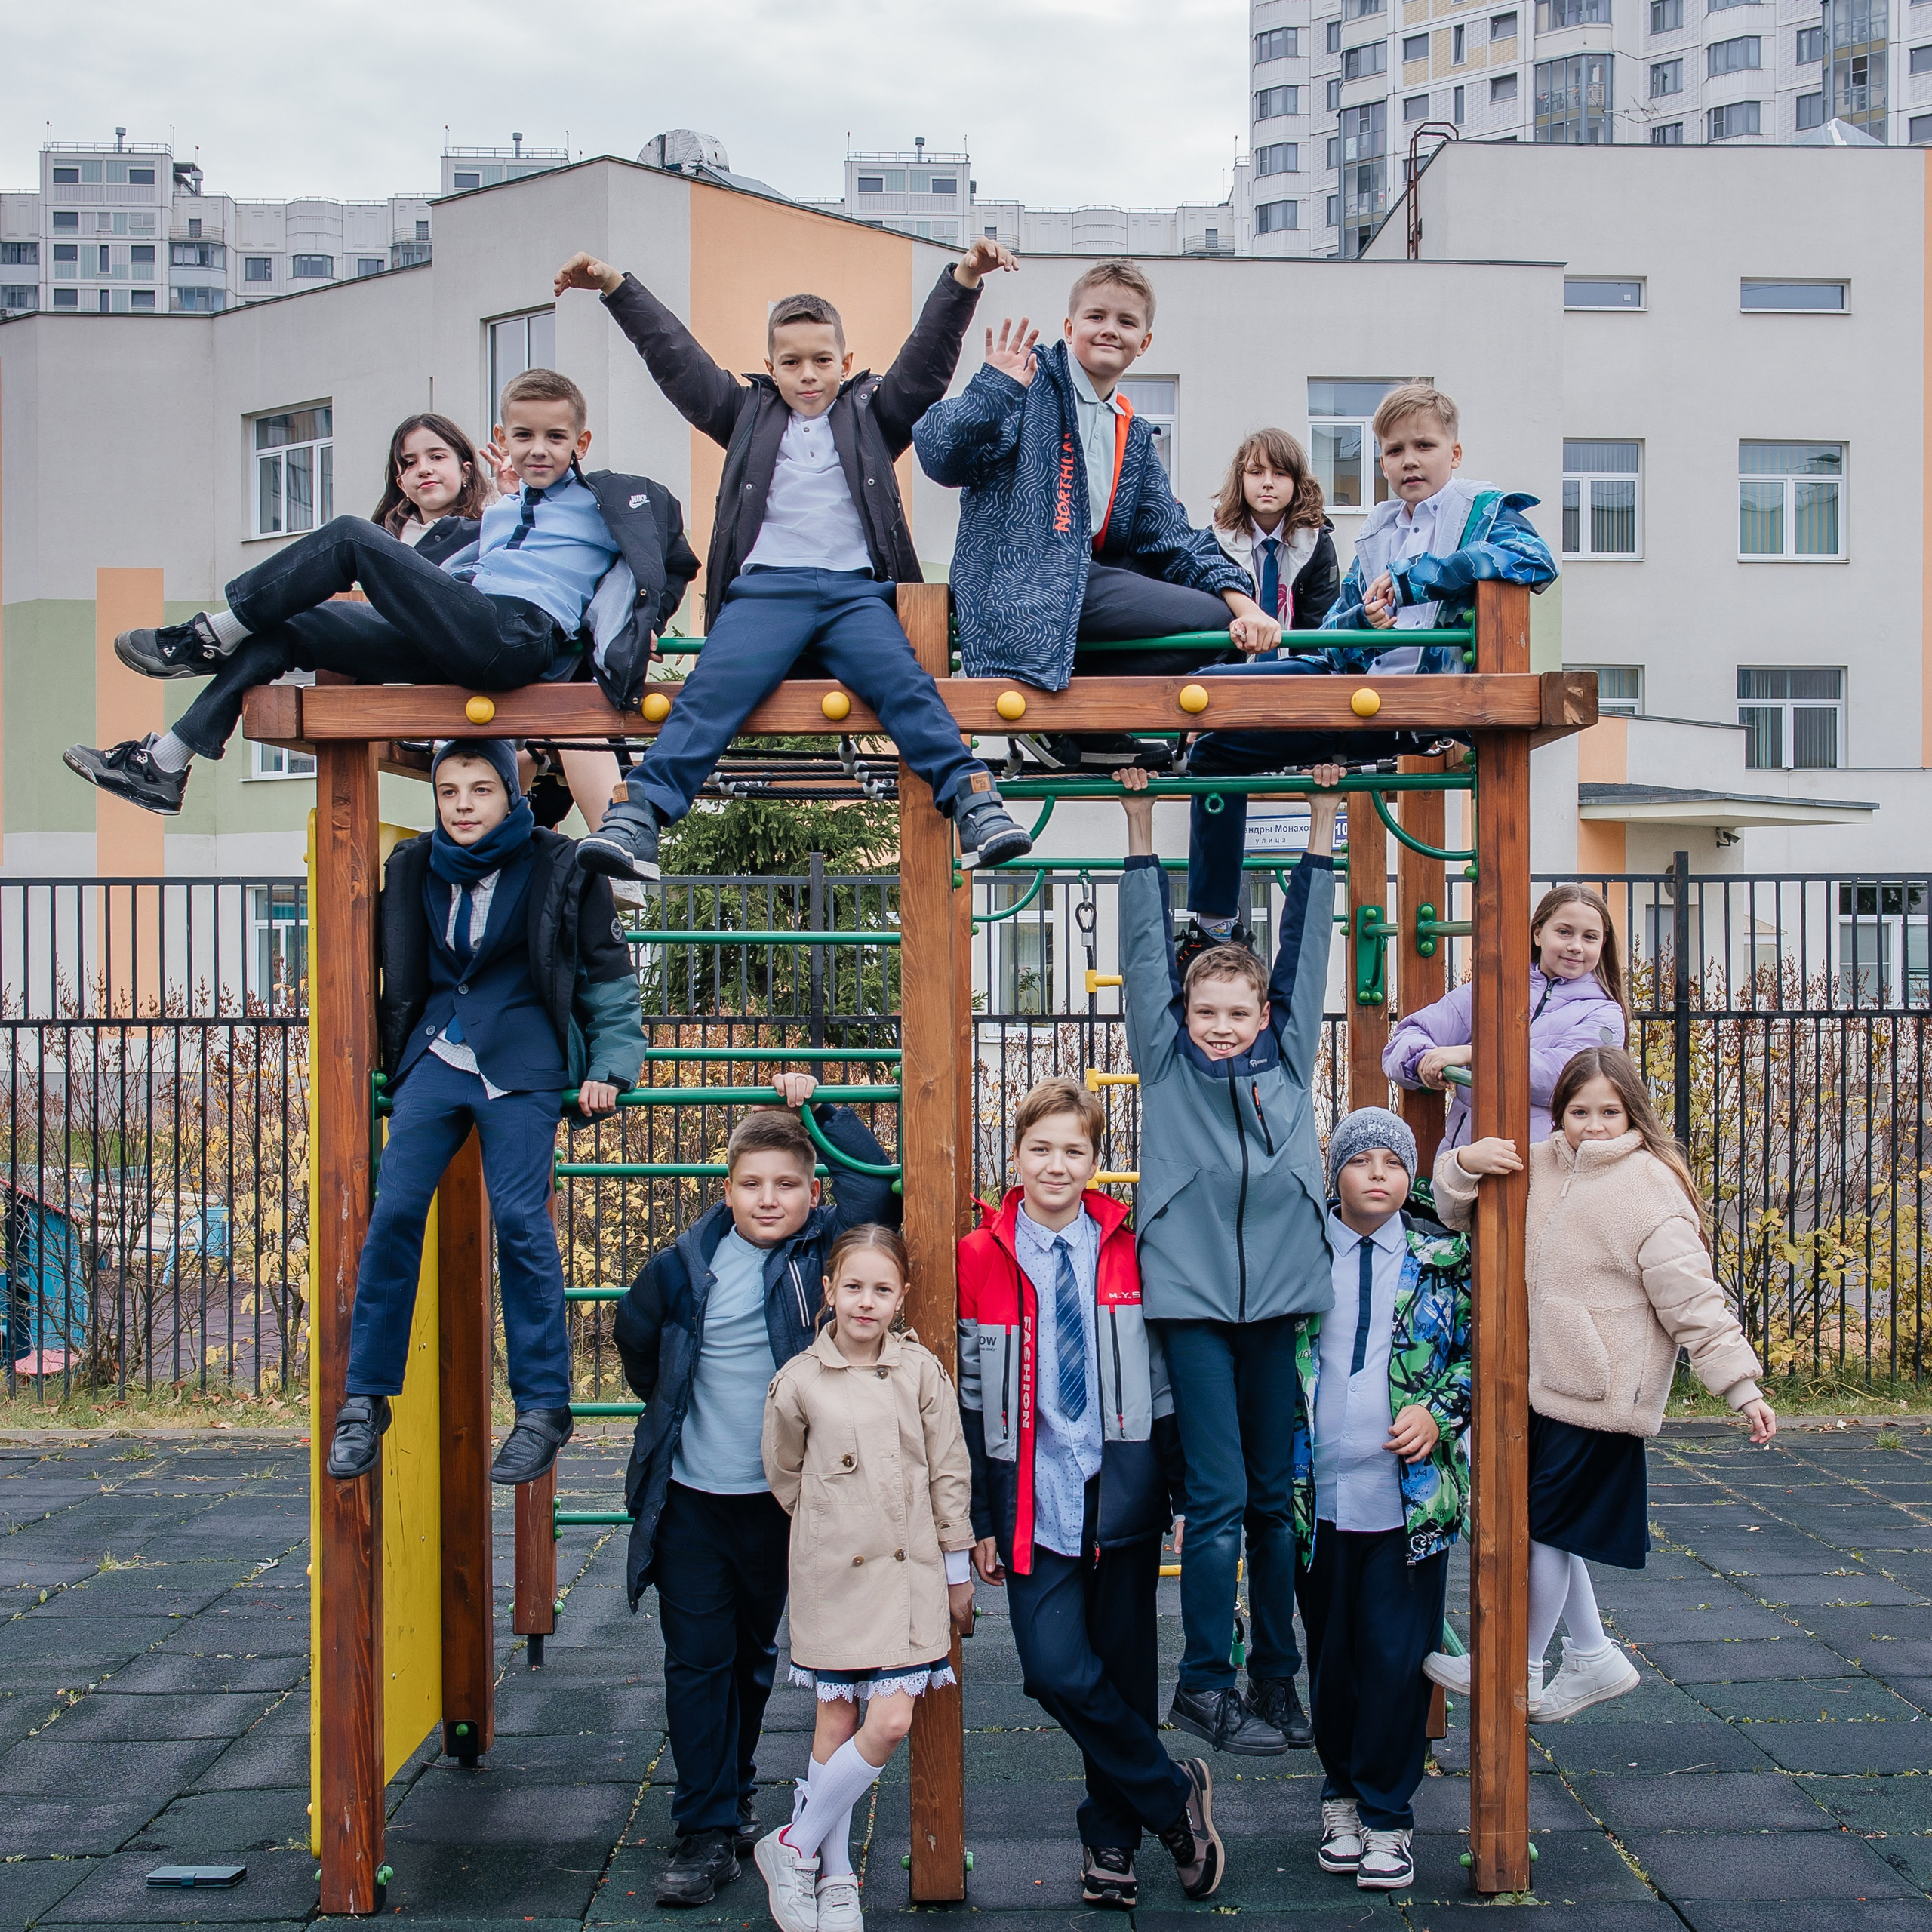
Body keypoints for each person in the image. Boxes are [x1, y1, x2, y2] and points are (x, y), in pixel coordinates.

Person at [550, 242, 1032, 879]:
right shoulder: (743, 414)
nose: (808, 374)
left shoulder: (872, 417)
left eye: (822, 361)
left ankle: (975, 802)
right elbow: (678, 360)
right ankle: (638, 816)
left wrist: (964, 279)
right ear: (770, 368)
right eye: (792, 362)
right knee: (710, 696)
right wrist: (616, 286)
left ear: (846, 363)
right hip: (766, 594)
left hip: (854, 595)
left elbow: (924, 365)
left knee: (906, 689)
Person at [64, 370, 699, 814]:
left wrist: (630, 630)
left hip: (519, 637)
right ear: (501, 442)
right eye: (524, 436)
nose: (540, 449)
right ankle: (166, 765)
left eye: (555, 438)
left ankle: (204, 636)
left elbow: (671, 559)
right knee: (289, 630)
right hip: (456, 641)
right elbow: (443, 569)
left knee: (352, 539)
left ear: (580, 444)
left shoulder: (602, 502)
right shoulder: (498, 513)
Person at [323, 737, 645, 1487]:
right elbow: (381, 963)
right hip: (436, 1056)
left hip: (522, 1060)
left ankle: (541, 1408)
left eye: (479, 790)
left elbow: (606, 970)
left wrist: (610, 1065)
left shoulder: (561, 861)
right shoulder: (411, 867)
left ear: (511, 793)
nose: (463, 805)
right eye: (449, 791)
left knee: (521, 1219)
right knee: (395, 1211)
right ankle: (366, 1399)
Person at [1426, 1045, 1777, 1722]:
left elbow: (1691, 1298)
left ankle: (1514, 1664)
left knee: (1542, 1530)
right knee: (1547, 1528)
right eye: (1579, 1110)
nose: (1593, 1125)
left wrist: (1741, 1386)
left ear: (1633, 1114)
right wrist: (1465, 1164)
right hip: (1545, 1383)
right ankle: (1590, 1653)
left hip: (1604, 1390)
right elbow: (1454, 1211)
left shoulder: (1649, 1187)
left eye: (1609, 1112)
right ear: (1559, 1113)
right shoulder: (1542, 1163)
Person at [612, 1094, 901, 1909]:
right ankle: (704, 1829)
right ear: (727, 1188)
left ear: (813, 1191)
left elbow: (878, 1191)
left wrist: (824, 1110)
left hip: (789, 1505)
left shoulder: (825, 1254)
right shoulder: (683, 1263)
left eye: (786, 1182)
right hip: (696, 1500)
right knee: (696, 1658)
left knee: (751, 1656)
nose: (767, 1198)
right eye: (750, 1184)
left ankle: (733, 1793)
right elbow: (638, 1338)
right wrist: (671, 1410)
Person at [1114, 764, 1345, 1755]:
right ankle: (1205, 1683)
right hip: (1196, 1305)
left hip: (1281, 1300)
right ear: (1187, 1014)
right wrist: (1137, 817)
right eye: (1205, 1010)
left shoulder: (1288, 1060)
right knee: (1213, 1500)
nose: (1219, 1026)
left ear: (1261, 1018)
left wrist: (1326, 821)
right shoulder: (1165, 1064)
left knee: (1270, 1501)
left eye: (1235, 1013)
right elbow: (1139, 956)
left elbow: (1309, 951)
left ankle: (1279, 1683)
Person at [958, 1078, 1223, 1911]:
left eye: (1075, 1150)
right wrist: (976, 1516)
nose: (1056, 1164)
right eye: (1040, 1147)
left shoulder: (1129, 1247)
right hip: (1031, 1500)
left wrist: (1180, 1491)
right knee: (1053, 1670)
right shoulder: (979, 1254)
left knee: (1122, 1672)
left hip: (1121, 1493)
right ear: (1016, 1154)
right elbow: (970, 1396)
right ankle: (1172, 1792)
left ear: (1098, 1163)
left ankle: (1111, 1842)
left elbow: (1166, 1382)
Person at [912, 259, 1278, 768]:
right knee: (1210, 616)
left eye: (1126, 322)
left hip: (1082, 590)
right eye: (1096, 317)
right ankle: (1074, 718)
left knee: (1216, 621)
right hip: (1022, 589)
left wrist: (1247, 605)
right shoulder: (1024, 388)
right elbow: (937, 452)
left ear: (1144, 342)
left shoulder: (1132, 432)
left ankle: (1089, 727)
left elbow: (1171, 538)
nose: (1110, 330)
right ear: (1069, 328)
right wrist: (992, 390)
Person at [756, 1225, 976, 1932]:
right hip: (833, 1573)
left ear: (901, 1297)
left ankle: (790, 1845)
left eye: (882, 1290)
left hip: (909, 1576)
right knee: (836, 1718)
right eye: (853, 1287)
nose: (865, 1302)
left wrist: (955, 1570)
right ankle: (837, 1879)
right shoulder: (798, 1381)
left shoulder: (920, 1373)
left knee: (889, 1718)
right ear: (828, 1291)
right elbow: (784, 1473)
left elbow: (948, 1471)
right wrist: (834, 1520)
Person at [1293, 1109, 1472, 1894]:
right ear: (1334, 1175)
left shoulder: (1441, 1258)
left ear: (1411, 1177)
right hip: (1317, 1497)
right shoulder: (1297, 1256)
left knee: (1397, 1659)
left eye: (1391, 1162)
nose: (1376, 1173)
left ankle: (1388, 1814)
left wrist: (1438, 1409)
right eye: (1359, 1160)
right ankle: (1340, 1794)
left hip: (1407, 1501)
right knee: (1332, 1657)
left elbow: (1478, 1354)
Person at [1177, 429, 1343, 955]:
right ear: (1240, 479)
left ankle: (1306, 909)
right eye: (1256, 472)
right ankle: (1215, 919)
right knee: (1215, 768)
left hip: (1294, 683)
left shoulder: (1317, 544)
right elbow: (1199, 623)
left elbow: (1322, 625)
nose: (1267, 484)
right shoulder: (1213, 542)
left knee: (1328, 766)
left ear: (1297, 483)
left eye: (1279, 473)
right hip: (1231, 684)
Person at [1383, 884, 1629, 1149]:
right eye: (1564, 932)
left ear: (1603, 944)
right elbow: (1408, 1036)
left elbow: (1567, 1079)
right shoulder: (1492, 990)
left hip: (1546, 1164)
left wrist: (1472, 1054)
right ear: (1538, 933)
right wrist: (1423, 1061)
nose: (1576, 946)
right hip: (1469, 1157)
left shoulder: (1603, 1013)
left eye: (1590, 937)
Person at [1320, 381, 1556, 655]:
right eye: (1395, 450)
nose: (1409, 461)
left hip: (1448, 691)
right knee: (1261, 678)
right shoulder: (1377, 533)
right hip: (1374, 687)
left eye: (1424, 445)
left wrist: (1424, 576)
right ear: (1383, 465)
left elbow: (1538, 560)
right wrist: (1362, 620)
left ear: (1454, 454)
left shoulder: (1481, 512)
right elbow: (1329, 636)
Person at [371, 411, 498, 561]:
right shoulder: (382, 544)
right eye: (410, 463)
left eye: (437, 457)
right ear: (401, 484)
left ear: (465, 472)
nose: (423, 469)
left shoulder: (494, 527)